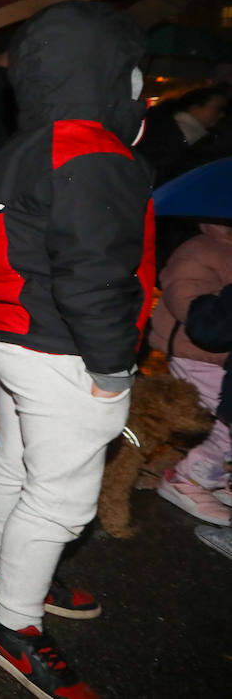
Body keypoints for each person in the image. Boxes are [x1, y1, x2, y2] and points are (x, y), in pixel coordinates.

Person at [0, 1, 153, 699]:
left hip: (10, 335)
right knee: (61, 499)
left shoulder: (25, 147)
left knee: (17, 460)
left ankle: (3, 568)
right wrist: (111, 365)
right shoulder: (92, 154)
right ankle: (11, 623)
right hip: (61, 346)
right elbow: (96, 274)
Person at [149, 223, 232, 525]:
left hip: (221, 357)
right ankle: (187, 481)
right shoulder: (203, 249)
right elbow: (186, 300)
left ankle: (216, 475)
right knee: (225, 425)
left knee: (222, 422)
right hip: (197, 355)